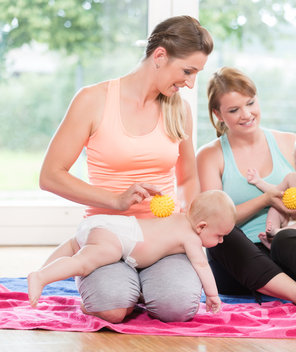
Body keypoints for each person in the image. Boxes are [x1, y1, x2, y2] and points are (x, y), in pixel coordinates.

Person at [38, 16, 213, 323]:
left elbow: (187, 177)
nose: (191, 83)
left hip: (162, 241)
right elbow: (50, 175)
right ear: (160, 56)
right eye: (188, 71)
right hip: (109, 238)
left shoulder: (179, 110)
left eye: (196, 73)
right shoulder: (93, 100)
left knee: (177, 308)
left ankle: (144, 285)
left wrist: (190, 225)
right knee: (112, 308)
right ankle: (124, 287)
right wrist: (116, 200)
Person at [196, 66, 296, 313]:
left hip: (282, 255)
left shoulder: (290, 143)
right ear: (218, 114)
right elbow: (211, 219)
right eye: (234, 110)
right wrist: (266, 199)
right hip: (238, 265)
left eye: (251, 103)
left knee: (287, 236)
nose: (247, 114)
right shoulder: (209, 155)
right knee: (224, 235)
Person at [28, 190, 236, 314]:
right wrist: (212, 294)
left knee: (75, 245)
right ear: (201, 226)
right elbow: (201, 265)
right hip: (120, 238)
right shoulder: (190, 237)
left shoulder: (179, 218)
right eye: (219, 235)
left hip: (113, 225)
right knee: (84, 262)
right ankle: (41, 276)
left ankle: (42, 269)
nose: (221, 240)